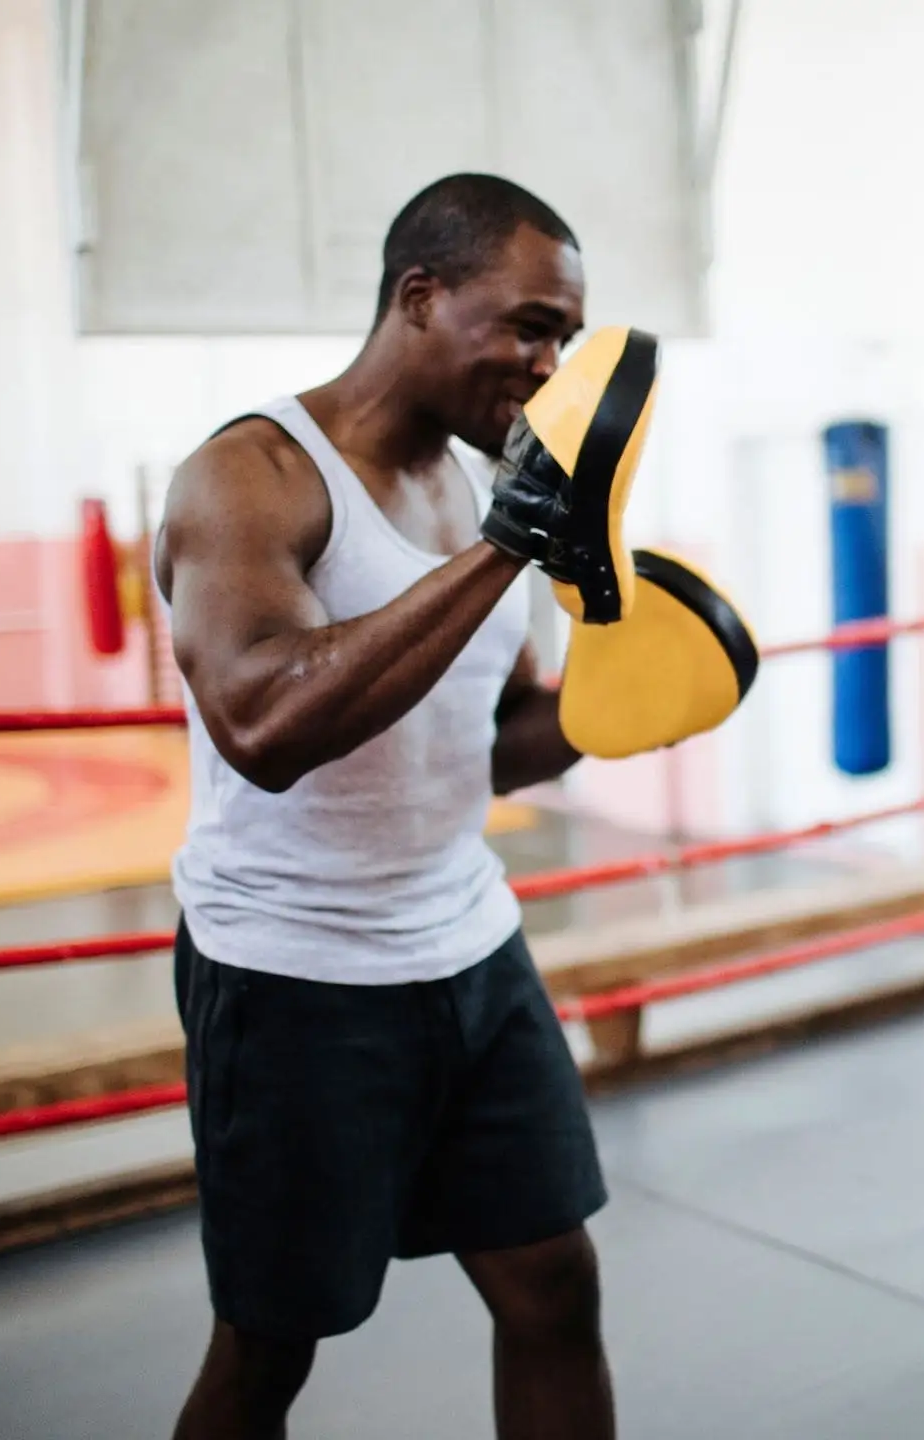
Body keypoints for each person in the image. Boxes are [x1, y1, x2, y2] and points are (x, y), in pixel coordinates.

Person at [153, 172, 749, 1440]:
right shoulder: (254, 476)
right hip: (292, 973)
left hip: (467, 947)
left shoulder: (484, 493)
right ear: (420, 297)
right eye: (526, 325)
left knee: (551, 1286)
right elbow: (263, 726)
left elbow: (487, 743)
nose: (545, 366)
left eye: (564, 340)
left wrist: (607, 713)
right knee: (272, 1347)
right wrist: (509, 547)